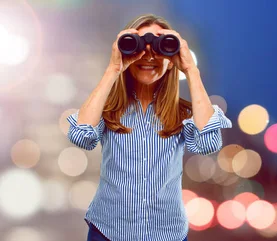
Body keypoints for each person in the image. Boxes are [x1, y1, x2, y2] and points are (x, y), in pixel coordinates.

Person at [66, 13, 232, 241]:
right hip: (109, 232)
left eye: (159, 47)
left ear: (171, 58)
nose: (148, 56)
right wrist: (114, 68)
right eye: (140, 46)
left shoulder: (182, 113)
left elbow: (207, 143)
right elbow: (80, 136)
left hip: (167, 234)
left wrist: (190, 70)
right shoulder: (109, 109)